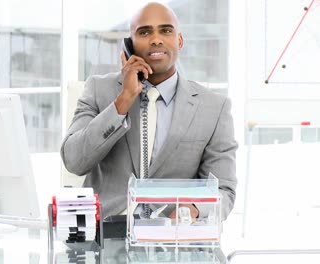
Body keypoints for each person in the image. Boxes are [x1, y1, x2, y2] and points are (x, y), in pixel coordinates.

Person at [61, 2, 237, 221]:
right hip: (108, 233)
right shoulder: (99, 89)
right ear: (129, 45)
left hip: (175, 239)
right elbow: (74, 161)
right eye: (144, 32)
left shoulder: (214, 108)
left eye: (166, 30)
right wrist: (123, 101)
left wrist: (192, 211)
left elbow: (224, 191)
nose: (156, 39)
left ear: (179, 41)